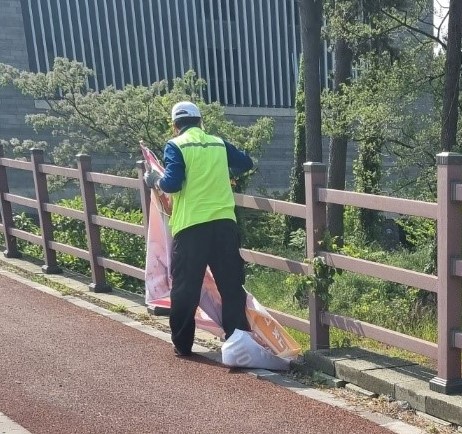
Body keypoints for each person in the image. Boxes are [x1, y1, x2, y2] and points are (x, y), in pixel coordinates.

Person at [144, 101, 252, 356]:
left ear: (175, 126)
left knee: (185, 288)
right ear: (201, 121)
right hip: (225, 225)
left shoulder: (176, 145)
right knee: (231, 286)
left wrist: (154, 179)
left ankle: (183, 345)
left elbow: (171, 184)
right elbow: (245, 162)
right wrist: (224, 174)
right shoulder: (217, 143)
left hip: (191, 227)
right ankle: (236, 342)